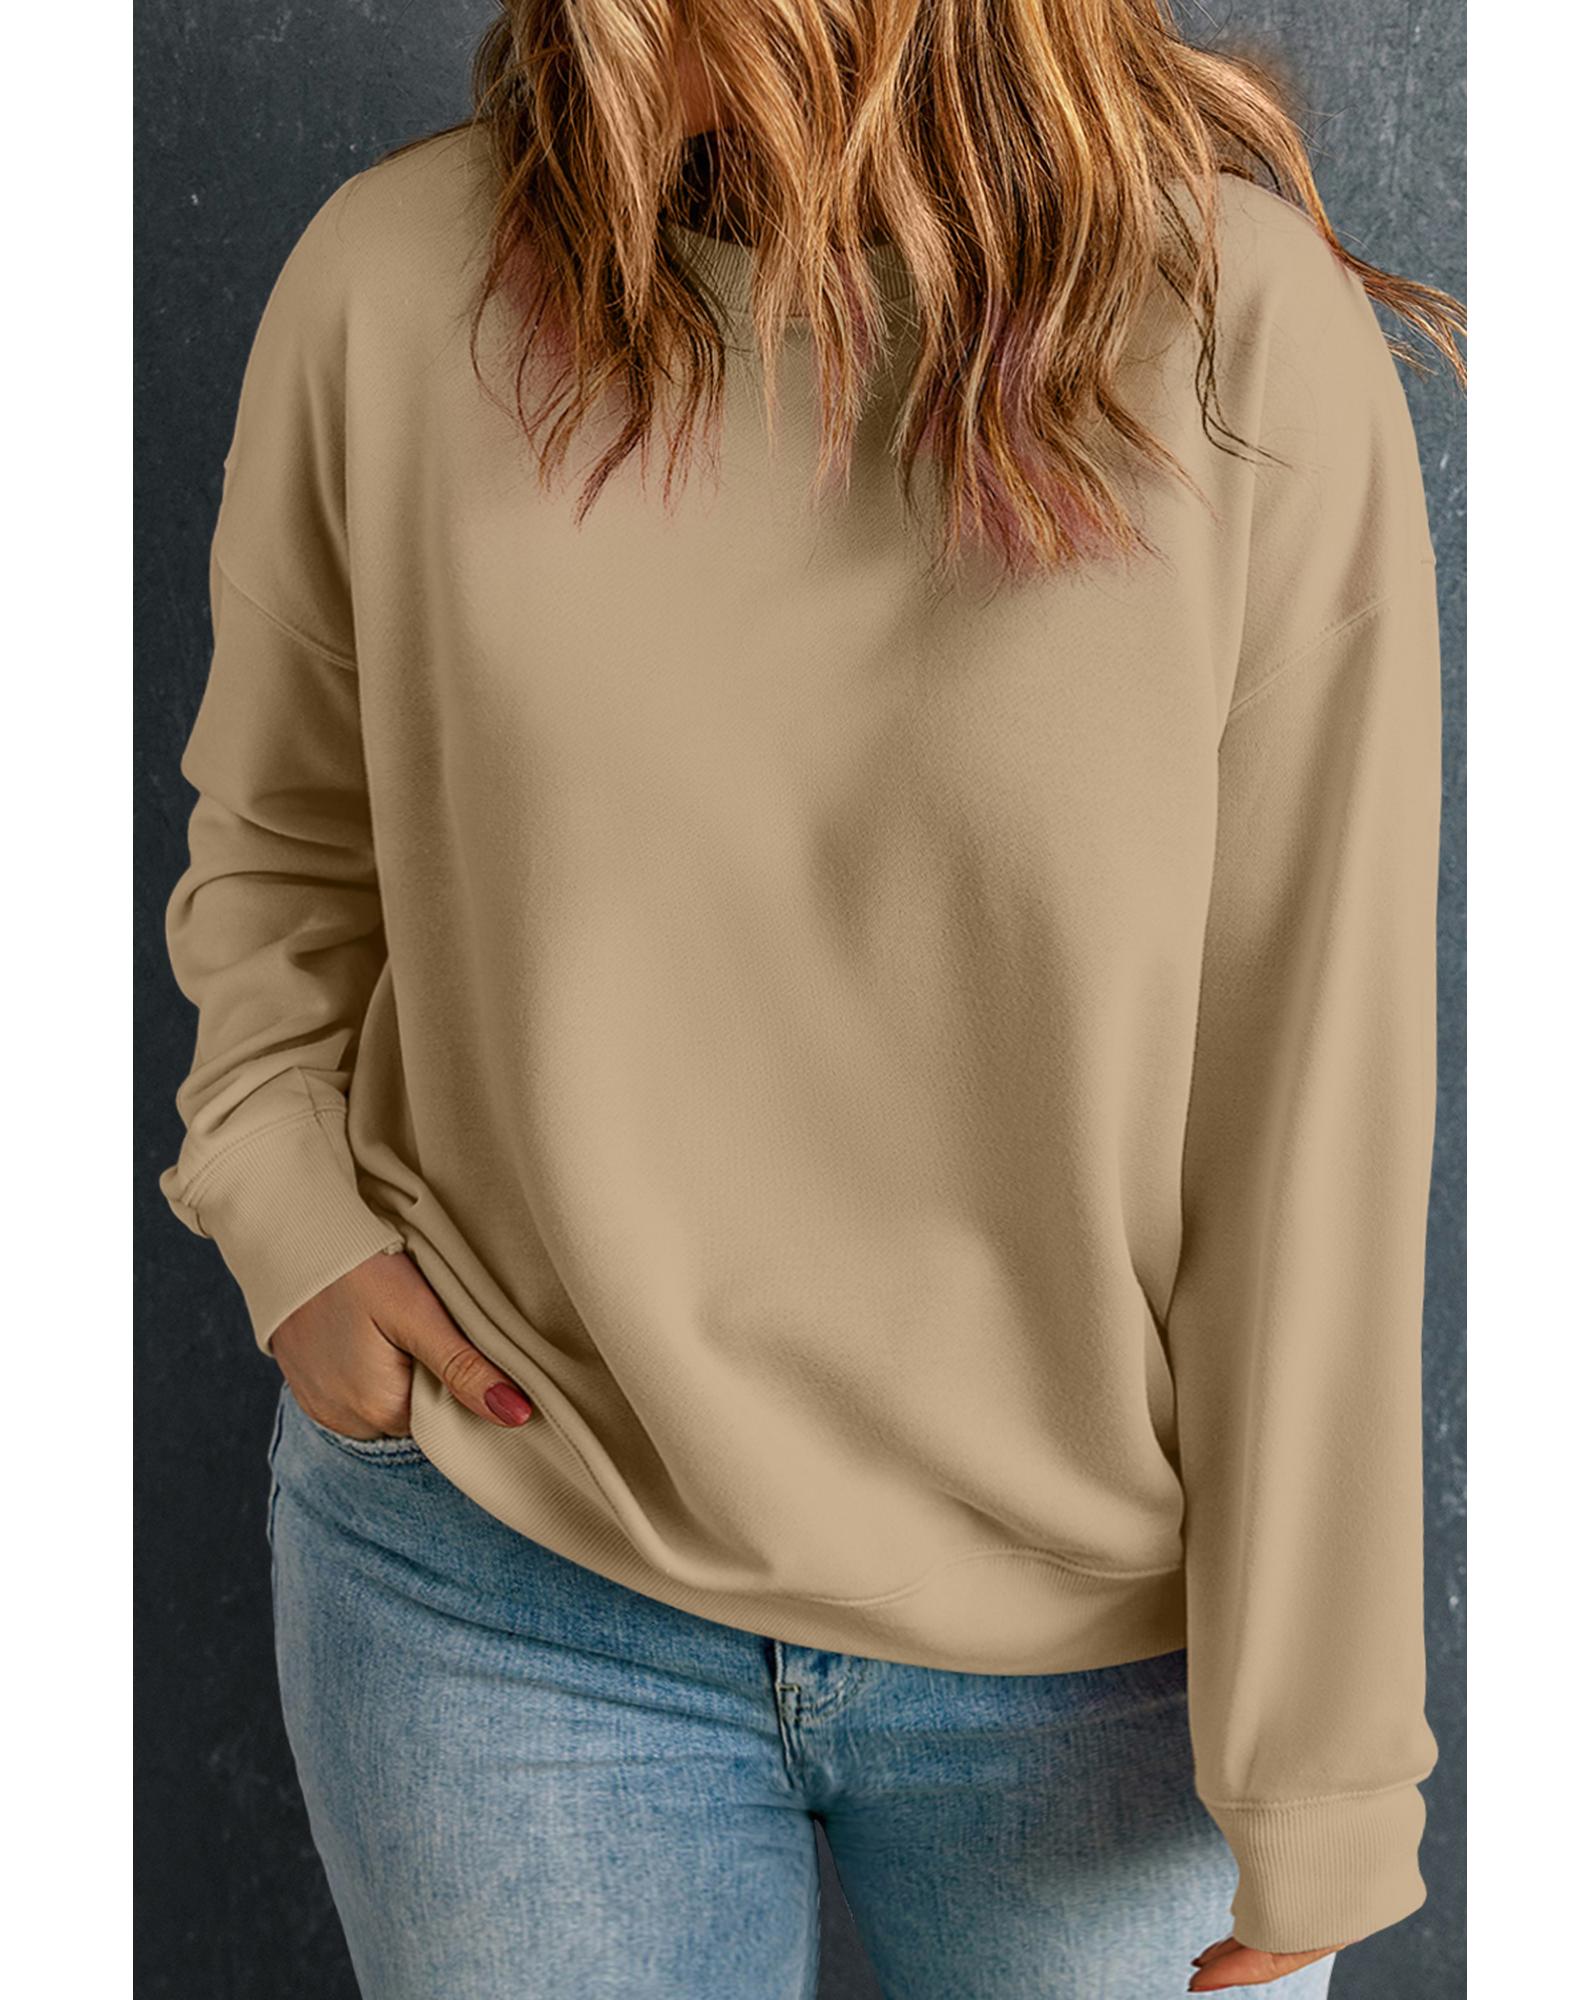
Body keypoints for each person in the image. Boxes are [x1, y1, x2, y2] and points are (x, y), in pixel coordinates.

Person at [156, 4, 1465, 1995]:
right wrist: (287, 1210)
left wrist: (1323, 1773)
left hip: (1099, 1654)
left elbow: (1316, 1090)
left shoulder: (1236, 335)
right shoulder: (391, 285)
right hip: (502, 1580)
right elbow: (280, 835)